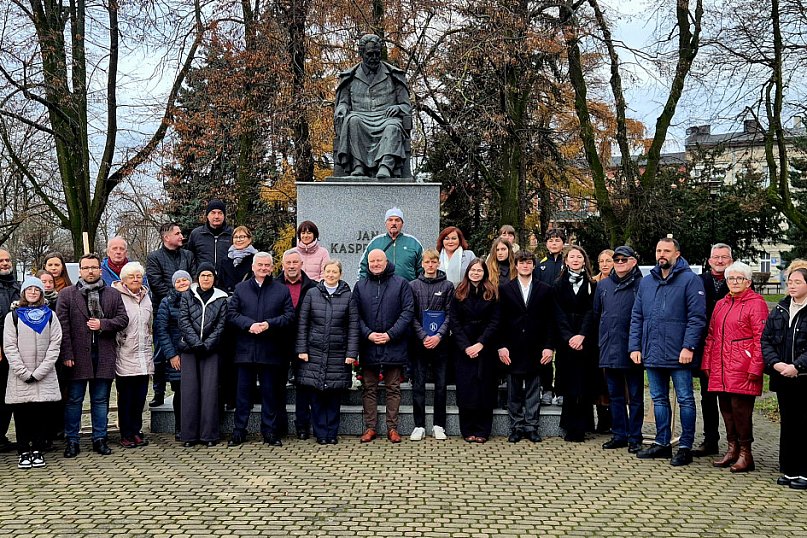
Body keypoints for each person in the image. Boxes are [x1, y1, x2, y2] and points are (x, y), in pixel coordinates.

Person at [629, 237, 706, 466]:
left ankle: (685, 446)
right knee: (658, 399)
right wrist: (635, 346)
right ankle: (662, 443)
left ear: (677, 254)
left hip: (679, 353)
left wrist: (688, 346)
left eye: (667, 250)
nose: (662, 254)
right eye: (658, 250)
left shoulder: (690, 281)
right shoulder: (647, 282)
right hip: (652, 351)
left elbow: (697, 318)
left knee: (685, 399)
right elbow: (637, 316)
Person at [57, 253, 129, 458]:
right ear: (79, 270)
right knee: (74, 400)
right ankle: (72, 440)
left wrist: (103, 325)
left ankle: (100, 438)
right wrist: (67, 354)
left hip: (103, 354)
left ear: (100, 270)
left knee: (100, 400)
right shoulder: (67, 294)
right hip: (77, 357)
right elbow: (63, 327)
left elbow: (123, 319)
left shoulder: (113, 294)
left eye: (94, 267)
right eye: (86, 267)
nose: (90, 271)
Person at [701, 261, 767, 473]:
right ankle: (732, 449)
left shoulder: (756, 304)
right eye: (731, 278)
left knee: (741, 411)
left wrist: (756, 367)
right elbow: (711, 336)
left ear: (748, 282)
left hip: (743, 367)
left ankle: (746, 453)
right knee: (727, 410)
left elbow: (761, 339)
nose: (735, 282)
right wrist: (707, 362)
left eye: (739, 278)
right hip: (721, 367)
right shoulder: (721, 303)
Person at [227, 253, 295, 447]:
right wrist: (249, 325)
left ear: (272, 267)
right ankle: (239, 431)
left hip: (270, 351)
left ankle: (269, 431)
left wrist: (268, 324)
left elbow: (289, 316)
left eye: (267, 265)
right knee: (242, 395)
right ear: (253, 267)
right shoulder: (240, 289)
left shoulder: (281, 290)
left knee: (270, 394)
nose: (264, 268)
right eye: (260, 265)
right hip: (245, 350)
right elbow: (232, 314)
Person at [352, 249, 415, 443]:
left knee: (393, 388)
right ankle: (370, 428)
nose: (376, 264)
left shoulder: (401, 284)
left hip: (394, 344)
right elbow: (355, 315)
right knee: (369, 388)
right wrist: (369, 334)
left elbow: (408, 312)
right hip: (369, 345)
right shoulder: (360, 286)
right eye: (372, 261)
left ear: (386, 261)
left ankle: (392, 428)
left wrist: (390, 334)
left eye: (379, 260)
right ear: (368, 264)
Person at [295, 260, 359, 444]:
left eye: (334, 272)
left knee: (333, 397)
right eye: (328, 271)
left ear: (340, 274)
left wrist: (351, 353)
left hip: (338, 354)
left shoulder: (348, 296)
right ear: (323, 273)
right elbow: (303, 324)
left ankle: (332, 433)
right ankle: (320, 434)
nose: (330, 275)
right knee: (316, 397)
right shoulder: (312, 294)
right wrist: (302, 349)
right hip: (313, 353)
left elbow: (353, 327)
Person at [2, 276, 62, 469]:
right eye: (30, 290)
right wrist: (23, 372)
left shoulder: (50, 316)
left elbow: (55, 344)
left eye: (37, 290)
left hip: (43, 375)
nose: (33, 293)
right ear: (24, 293)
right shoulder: (13, 317)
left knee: (40, 415)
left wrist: (41, 371)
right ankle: (23, 451)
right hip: (21, 375)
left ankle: (37, 449)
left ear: (42, 293)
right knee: (22, 416)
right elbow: (9, 346)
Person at [334, 34, 412, 179]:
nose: (374, 57)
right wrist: (342, 109)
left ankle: (385, 166)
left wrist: (398, 108)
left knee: (393, 127)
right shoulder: (349, 77)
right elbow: (343, 102)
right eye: (370, 54)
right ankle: (358, 166)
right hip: (360, 116)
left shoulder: (394, 75)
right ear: (361, 54)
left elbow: (406, 106)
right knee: (352, 121)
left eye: (377, 54)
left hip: (386, 117)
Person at [497, 250, 553, 443]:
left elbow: (549, 321)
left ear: (533, 266)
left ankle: (531, 426)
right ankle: (516, 427)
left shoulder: (545, 289)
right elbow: (500, 320)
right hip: (512, 346)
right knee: (513, 391)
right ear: (517, 265)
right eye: (522, 263)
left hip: (535, 346)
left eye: (529, 263)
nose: (525, 266)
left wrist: (549, 347)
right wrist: (501, 346)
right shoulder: (506, 289)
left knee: (532, 389)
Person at [593, 246, 644, 453]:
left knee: (635, 396)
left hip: (632, 349)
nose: (620, 263)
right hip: (608, 347)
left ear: (634, 261)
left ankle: (635, 435)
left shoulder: (642, 285)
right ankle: (619, 434)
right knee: (614, 396)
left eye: (624, 259)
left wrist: (638, 345)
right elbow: (597, 314)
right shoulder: (603, 285)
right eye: (617, 260)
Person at [761, 266, 807, 489]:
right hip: (783, 377)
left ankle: (805, 472)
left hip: (803, 377)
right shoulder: (780, 308)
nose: (792, 285)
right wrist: (776, 364)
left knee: (804, 424)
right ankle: (790, 470)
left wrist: (797, 366)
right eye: (790, 281)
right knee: (789, 424)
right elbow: (766, 339)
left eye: (797, 282)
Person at [178, 263, 228, 448]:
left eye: (209, 275)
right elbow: (183, 321)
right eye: (202, 275)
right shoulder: (187, 296)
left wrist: (207, 344)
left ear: (214, 278)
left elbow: (221, 325)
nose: (206, 278)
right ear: (197, 277)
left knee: (210, 392)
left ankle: (209, 435)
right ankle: (189, 435)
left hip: (211, 350)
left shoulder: (221, 298)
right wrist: (196, 343)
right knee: (189, 392)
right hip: (190, 349)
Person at [450, 258, 500, 443]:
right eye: (473, 270)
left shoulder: (492, 292)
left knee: (484, 390)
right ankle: (468, 430)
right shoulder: (459, 292)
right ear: (468, 272)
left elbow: (495, 321)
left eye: (479, 270)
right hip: (463, 348)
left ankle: (482, 431)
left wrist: (481, 344)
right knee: (466, 390)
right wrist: (466, 346)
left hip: (485, 347)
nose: (476, 273)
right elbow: (454, 321)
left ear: (484, 273)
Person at [146, 222, 195, 408]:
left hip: (190, 308)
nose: (181, 236)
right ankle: (159, 391)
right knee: (161, 351)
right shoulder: (154, 257)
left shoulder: (188, 255)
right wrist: (175, 296)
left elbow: (194, 276)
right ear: (166, 237)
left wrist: (187, 297)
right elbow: (156, 283)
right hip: (163, 309)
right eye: (177, 233)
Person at [552, 245, 598, 442]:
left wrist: (582, 335)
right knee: (570, 383)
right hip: (566, 341)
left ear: (584, 260)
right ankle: (570, 425)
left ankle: (584, 425)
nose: (576, 260)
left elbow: (592, 311)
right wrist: (569, 336)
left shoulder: (592, 284)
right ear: (566, 260)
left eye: (579, 256)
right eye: (572, 257)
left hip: (585, 340)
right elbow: (557, 312)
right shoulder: (558, 284)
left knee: (584, 382)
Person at [693, 243, 733, 457]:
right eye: (716, 257)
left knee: (729, 399)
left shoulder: (738, 281)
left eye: (724, 257)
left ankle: (734, 444)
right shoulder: (699, 281)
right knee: (707, 397)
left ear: (731, 260)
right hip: (706, 348)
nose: (720, 261)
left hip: (730, 350)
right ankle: (710, 440)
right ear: (709, 261)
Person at [409, 249, 454, 441]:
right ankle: (419, 425)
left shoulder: (447, 286)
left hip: (441, 344)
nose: (430, 265)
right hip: (419, 344)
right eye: (427, 262)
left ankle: (438, 425)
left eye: (433, 262)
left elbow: (451, 314)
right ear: (422, 264)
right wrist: (423, 335)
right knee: (418, 384)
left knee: (441, 385)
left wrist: (438, 336)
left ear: (438, 263)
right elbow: (410, 314)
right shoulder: (413, 286)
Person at [111, 262, 153, 449]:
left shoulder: (146, 297)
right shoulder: (116, 296)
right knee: (126, 398)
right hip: (125, 353)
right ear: (123, 279)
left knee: (140, 396)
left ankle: (136, 431)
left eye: (139, 276)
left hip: (143, 354)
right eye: (131, 276)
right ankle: (126, 433)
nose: (136, 279)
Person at [280, 250, 317, 439]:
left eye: (296, 262)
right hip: (278, 343)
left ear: (302, 264)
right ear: (282, 264)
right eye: (289, 262)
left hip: (304, 343)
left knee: (303, 386)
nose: (292, 265)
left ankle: (302, 425)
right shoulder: (274, 285)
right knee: (277, 385)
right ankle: (279, 426)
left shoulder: (313, 287)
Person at [154, 270, 192, 441]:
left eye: (185, 280)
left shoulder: (197, 299)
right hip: (176, 355)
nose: (182, 283)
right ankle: (180, 427)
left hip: (195, 353)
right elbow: (161, 330)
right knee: (180, 392)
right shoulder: (167, 302)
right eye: (179, 281)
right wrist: (171, 355)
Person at [535, 229, 566, 407]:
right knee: (544, 354)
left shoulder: (567, 263)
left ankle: (560, 389)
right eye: (551, 241)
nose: (554, 243)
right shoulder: (541, 265)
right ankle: (546, 388)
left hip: (563, 316)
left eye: (557, 240)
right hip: (545, 316)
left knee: (561, 356)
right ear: (546, 243)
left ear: (563, 243)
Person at [358, 207, 423, 281]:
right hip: (381, 289)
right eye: (390, 220)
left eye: (397, 220)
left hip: (408, 289)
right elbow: (363, 268)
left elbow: (422, 269)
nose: (394, 223)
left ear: (402, 223)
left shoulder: (413, 243)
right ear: (385, 223)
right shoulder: (375, 243)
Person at [0, 248, 20, 452]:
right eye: (1, 261)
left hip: (15, 351)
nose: (5, 263)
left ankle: (2, 435)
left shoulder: (17, 287)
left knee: (8, 396)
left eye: (8, 260)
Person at [187, 199, 233, 275]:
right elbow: (190, 259)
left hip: (226, 280)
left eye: (220, 213)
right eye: (213, 213)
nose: (216, 216)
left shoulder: (232, 234)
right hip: (204, 280)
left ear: (224, 216)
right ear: (207, 215)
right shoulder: (196, 234)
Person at [218, 225, 256, 295]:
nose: (238, 240)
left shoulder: (256, 259)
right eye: (235, 237)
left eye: (242, 237)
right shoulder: (225, 259)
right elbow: (220, 284)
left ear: (249, 239)